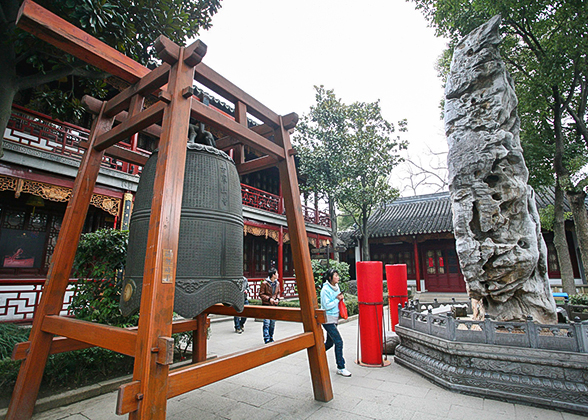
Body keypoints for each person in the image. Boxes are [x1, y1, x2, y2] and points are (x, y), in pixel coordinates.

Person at [320, 268, 351, 377]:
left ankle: (317, 354)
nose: (338, 277)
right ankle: (341, 367)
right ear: (330, 278)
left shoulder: (336, 287)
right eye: (335, 275)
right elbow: (326, 305)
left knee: (330, 342)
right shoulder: (325, 290)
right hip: (327, 320)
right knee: (339, 341)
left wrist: (340, 298)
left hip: (334, 318)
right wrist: (337, 299)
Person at [259, 268, 280, 343]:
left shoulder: (277, 283)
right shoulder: (265, 283)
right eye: (277, 273)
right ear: (273, 275)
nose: (278, 275)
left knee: (272, 323)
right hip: (266, 305)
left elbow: (278, 293)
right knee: (266, 323)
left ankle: (271, 336)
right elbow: (261, 294)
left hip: (274, 305)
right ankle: (266, 338)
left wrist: (277, 299)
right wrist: (269, 299)